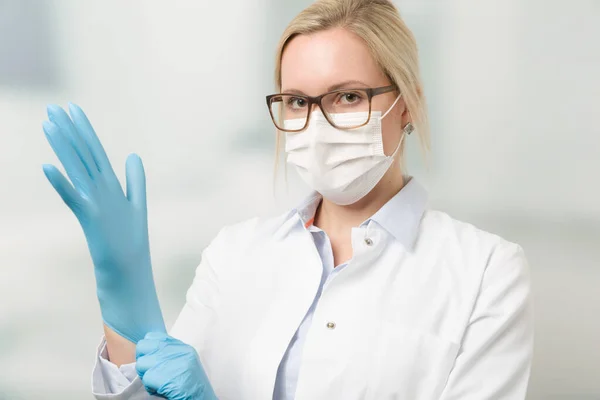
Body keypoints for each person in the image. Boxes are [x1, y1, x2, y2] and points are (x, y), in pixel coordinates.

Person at [41, 0, 533, 399]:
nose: (317, 123)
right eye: (298, 101)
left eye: (347, 96)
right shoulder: (233, 254)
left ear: (408, 103)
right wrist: (124, 296)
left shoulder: (486, 271)